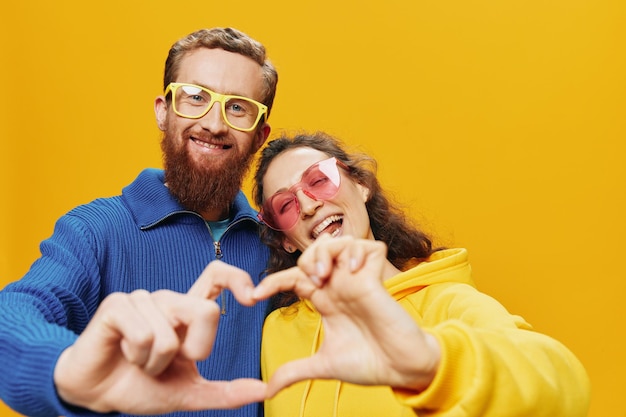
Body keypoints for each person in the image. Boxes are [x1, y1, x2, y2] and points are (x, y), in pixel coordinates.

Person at [0, 27, 277, 417]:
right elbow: (12, 314)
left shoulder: (276, 247)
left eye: (237, 107)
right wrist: (68, 370)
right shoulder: (94, 230)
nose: (214, 123)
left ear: (259, 134)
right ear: (163, 112)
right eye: (196, 98)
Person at [249, 131, 591, 416]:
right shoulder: (277, 331)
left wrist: (432, 362)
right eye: (285, 206)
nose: (308, 206)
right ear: (285, 240)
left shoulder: (445, 304)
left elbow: (565, 386)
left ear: (362, 185)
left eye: (320, 180)